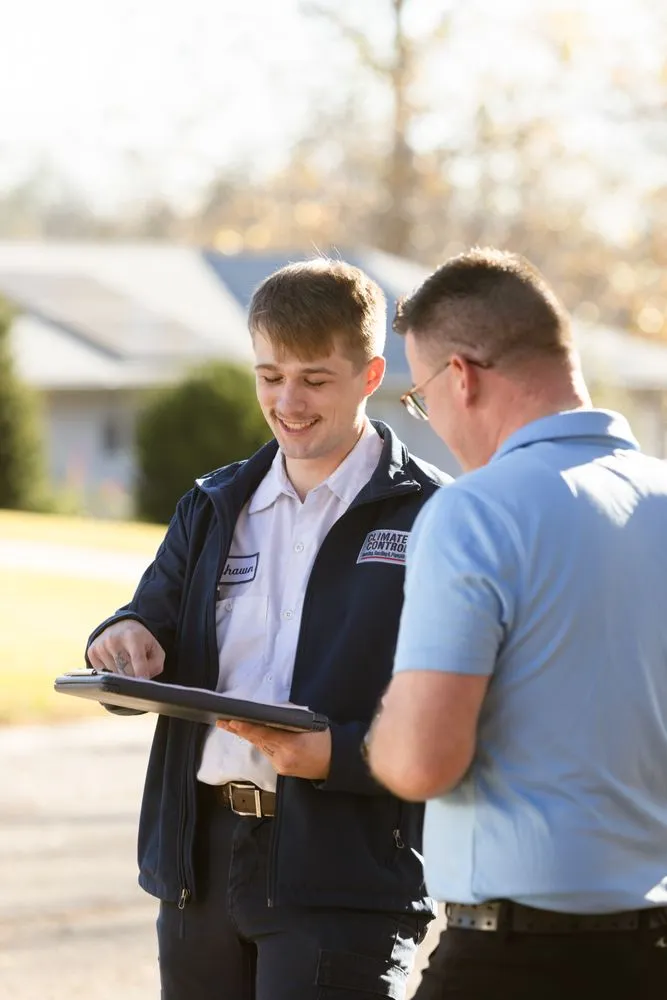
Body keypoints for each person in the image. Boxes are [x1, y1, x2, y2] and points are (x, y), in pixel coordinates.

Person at [86, 258, 450, 1000]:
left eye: (314, 379)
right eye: (269, 376)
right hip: (199, 869)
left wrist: (336, 757)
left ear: (371, 374)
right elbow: (148, 620)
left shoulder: (436, 518)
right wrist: (121, 638)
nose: (288, 401)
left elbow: (456, 718)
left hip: (348, 871)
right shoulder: (212, 504)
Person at [366, 247, 667, 1000]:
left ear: (461, 377)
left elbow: (421, 764)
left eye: (420, 398)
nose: (431, 420)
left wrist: (381, 734)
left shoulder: (475, 512)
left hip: (518, 955)